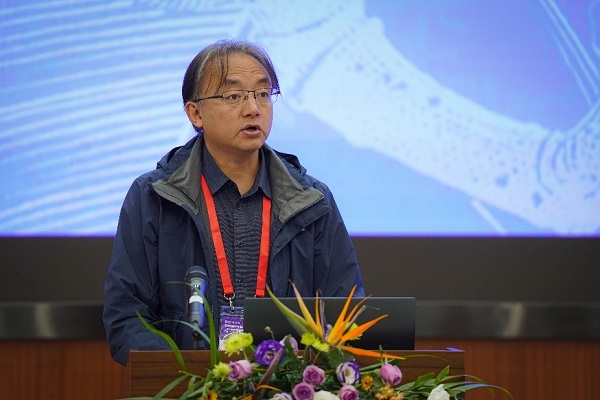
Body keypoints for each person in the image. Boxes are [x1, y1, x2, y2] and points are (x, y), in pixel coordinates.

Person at [102, 39, 364, 365]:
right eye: (233, 96)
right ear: (195, 113)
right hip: (191, 385)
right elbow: (127, 317)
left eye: (263, 94)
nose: (253, 108)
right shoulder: (152, 196)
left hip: (286, 384)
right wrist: (190, 375)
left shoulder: (312, 200)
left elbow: (345, 314)